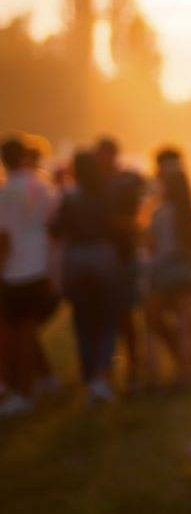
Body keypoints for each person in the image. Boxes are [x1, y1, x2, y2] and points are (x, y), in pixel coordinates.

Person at [51, 151, 125, 403]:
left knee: (83, 321)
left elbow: (56, 229)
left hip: (77, 257)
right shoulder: (105, 195)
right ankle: (103, 375)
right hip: (103, 255)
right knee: (107, 319)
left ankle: (91, 375)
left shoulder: (69, 197)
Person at [0, 135, 60, 416]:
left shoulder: (4, 193)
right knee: (27, 331)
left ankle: (24, 393)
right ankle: (45, 379)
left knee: (18, 333)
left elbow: (4, 238)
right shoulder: (43, 187)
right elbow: (53, 221)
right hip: (41, 266)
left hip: (16, 270)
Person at [143, 147, 191, 388]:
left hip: (163, 270)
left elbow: (150, 243)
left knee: (153, 320)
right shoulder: (190, 212)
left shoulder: (160, 212)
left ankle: (159, 371)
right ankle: (187, 373)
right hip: (186, 269)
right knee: (186, 322)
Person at [94, 136, 146, 388]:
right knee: (108, 314)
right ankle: (113, 367)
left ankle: (134, 366)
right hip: (107, 256)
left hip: (123, 254)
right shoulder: (99, 183)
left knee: (125, 313)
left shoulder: (126, 181)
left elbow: (135, 217)